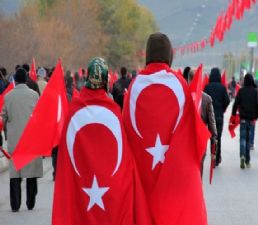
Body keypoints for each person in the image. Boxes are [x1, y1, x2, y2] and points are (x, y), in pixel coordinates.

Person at [52, 57, 152, 225]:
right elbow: (125, 157)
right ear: (106, 80)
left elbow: (66, 156)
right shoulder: (113, 110)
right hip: (110, 188)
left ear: (88, 78)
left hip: (81, 186)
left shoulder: (74, 110)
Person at [123, 32, 208, 225]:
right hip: (176, 169)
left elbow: (126, 126)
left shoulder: (135, 85)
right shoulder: (179, 84)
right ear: (169, 54)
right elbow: (193, 127)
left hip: (144, 166)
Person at [2, 68, 43, 212]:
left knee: (15, 174)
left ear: (15, 80)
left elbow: (3, 118)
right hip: (31, 139)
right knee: (31, 172)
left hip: (15, 140)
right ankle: (30, 202)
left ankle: (15, 204)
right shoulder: (34, 95)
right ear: (26, 79)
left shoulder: (8, 97)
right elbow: (40, 116)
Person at [188, 70, 217, 176]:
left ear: (189, 79)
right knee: (199, 167)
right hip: (201, 138)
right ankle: (198, 189)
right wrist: (214, 145)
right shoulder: (207, 98)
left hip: (186, 138)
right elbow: (212, 124)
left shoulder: (183, 96)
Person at [231, 74, 258, 169]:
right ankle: (247, 160)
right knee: (248, 140)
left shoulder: (241, 91)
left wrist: (234, 114)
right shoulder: (255, 92)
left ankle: (242, 156)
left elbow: (235, 104)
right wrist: (256, 116)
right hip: (251, 119)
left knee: (242, 138)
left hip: (243, 118)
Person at [204, 67, 230, 167]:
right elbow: (227, 100)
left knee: (212, 138)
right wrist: (222, 108)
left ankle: (213, 158)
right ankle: (217, 158)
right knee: (218, 137)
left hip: (210, 117)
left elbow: (203, 100)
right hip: (219, 116)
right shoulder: (222, 87)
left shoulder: (207, 87)